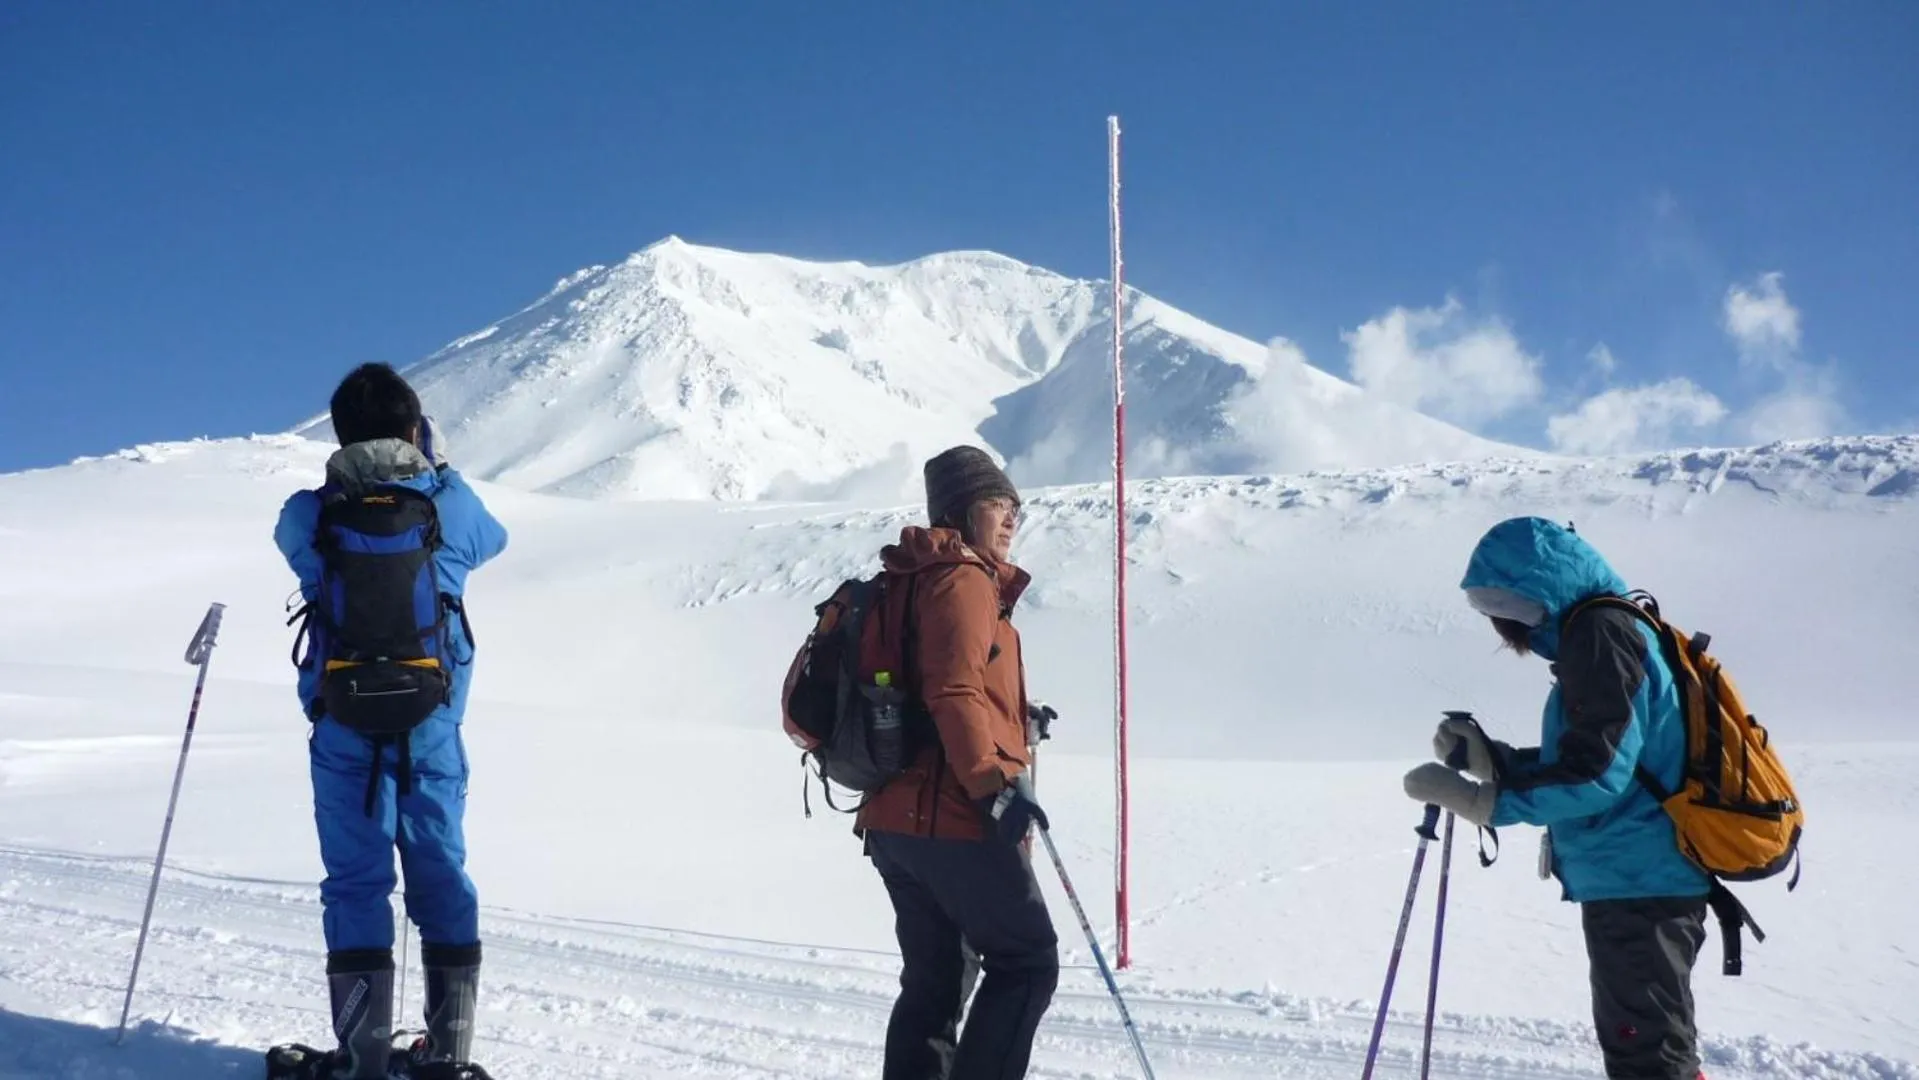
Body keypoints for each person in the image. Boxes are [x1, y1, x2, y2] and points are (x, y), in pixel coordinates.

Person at [1403, 516, 1712, 1080]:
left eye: (1507, 606)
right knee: (1653, 1051)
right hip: (1643, 874)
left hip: (1641, 878)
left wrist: (1487, 803)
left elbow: (1593, 778)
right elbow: (1614, 757)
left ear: (1539, 590)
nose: (1504, 624)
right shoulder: (1611, 628)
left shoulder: (1601, 634)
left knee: (1648, 1060)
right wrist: (1495, 761)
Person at [274, 363, 508, 1078]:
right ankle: (445, 1057)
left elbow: (289, 541)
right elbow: (492, 539)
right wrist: (435, 466)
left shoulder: (308, 515)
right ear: (414, 427)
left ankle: (360, 1060)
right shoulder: (448, 507)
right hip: (430, 725)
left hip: (342, 722)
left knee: (354, 881)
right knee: (440, 869)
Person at [854, 445, 1060, 1080]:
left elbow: (940, 685)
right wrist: (994, 784)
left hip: (892, 822)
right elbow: (953, 689)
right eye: (997, 504)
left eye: (1015, 506)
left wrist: (1016, 724)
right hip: (949, 817)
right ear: (962, 511)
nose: (1010, 518)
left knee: (938, 980)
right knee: (1027, 962)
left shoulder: (907, 578)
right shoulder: (964, 577)